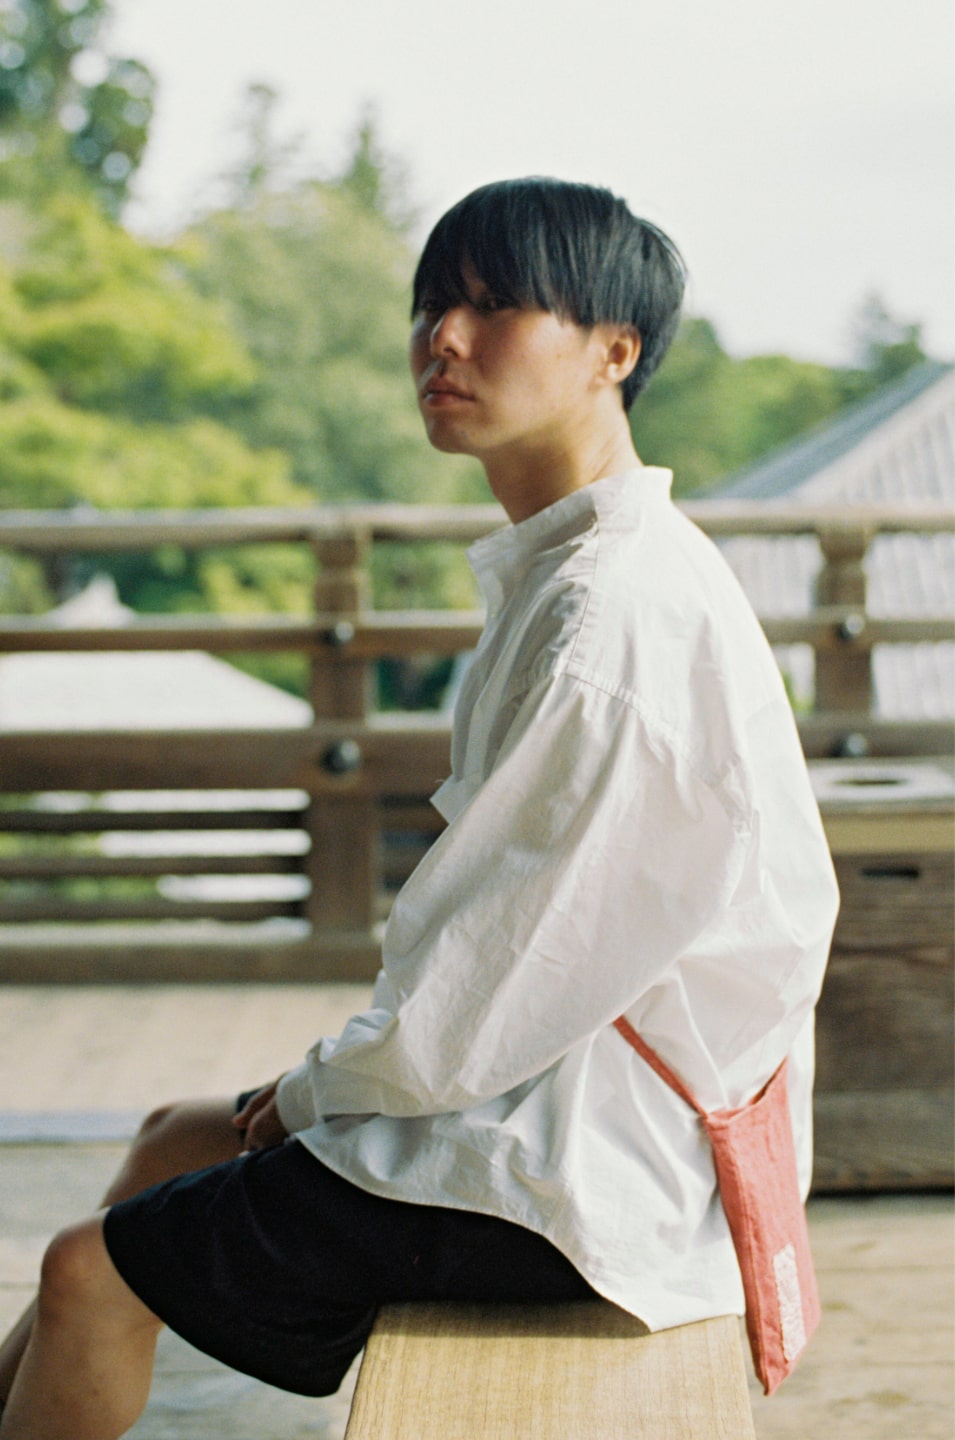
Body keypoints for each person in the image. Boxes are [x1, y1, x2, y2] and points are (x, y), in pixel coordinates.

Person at [0, 177, 839, 1439]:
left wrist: (305, 1096)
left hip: (585, 1167)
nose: (442, 338)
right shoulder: (582, 564)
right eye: (432, 304)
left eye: (495, 307)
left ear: (613, 352)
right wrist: (300, 1098)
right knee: (174, 1140)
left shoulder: (607, 620)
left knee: (91, 1274)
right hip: (573, 1095)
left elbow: (482, 996)